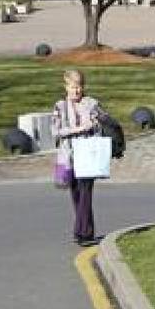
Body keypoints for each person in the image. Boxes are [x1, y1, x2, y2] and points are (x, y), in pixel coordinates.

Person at [52, 68, 103, 246]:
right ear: (66, 87)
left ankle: (82, 232)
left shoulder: (92, 103)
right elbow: (56, 131)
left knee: (86, 193)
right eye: (73, 86)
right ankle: (85, 231)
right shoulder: (60, 106)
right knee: (76, 194)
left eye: (80, 86)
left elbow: (100, 125)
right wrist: (78, 129)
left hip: (88, 153)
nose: (77, 90)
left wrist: (93, 124)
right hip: (68, 156)